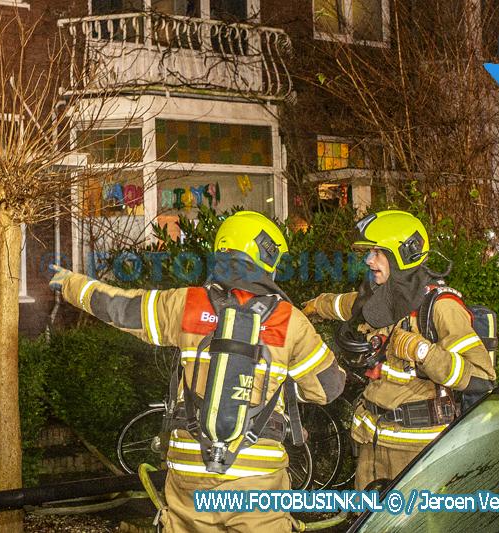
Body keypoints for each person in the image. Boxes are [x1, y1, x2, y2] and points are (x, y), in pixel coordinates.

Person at [49, 210, 346, 533]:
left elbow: (120, 308)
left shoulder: (187, 304)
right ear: (265, 259)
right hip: (257, 479)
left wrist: (70, 284)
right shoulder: (287, 320)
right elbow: (329, 388)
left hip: (189, 471)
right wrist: (281, 381)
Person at [302, 210, 496, 491]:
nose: (369, 260)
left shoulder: (440, 308)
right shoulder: (383, 297)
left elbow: (481, 377)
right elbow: (347, 304)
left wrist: (423, 352)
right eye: (370, 253)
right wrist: (313, 306)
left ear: (403, 254)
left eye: (378, 252)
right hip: (373, 445)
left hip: (417, 455)